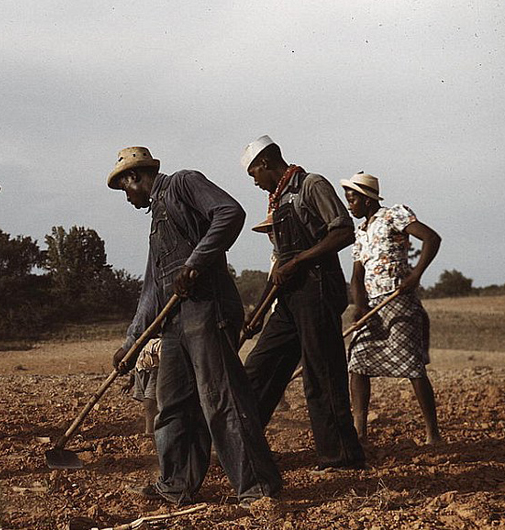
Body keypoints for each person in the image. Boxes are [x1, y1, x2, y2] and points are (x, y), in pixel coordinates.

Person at [108, 146, 281, 507]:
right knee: (173, 404)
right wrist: (132, 343)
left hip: (208, 309)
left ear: (135, 176)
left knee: (222, 399)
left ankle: (258, 488)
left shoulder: (183, 184)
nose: (125, 198)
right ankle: (176, 485)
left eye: (124, 188)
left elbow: (230, 212)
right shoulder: (156, 219)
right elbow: (153, 288)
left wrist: (196, 263)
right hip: (174, 322)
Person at [239, 136, 365, 471]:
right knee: (259, 368)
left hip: (318, 289)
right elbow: (281, 263)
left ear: (266, 162)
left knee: (321, 375)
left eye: (254, 173)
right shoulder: (277, 199)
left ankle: (341, 456)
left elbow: (343, 233)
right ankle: (242, 446)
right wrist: (258, 313)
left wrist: (299, 262)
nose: (254, 181)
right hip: (290, 297)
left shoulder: (311, 185)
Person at [341, 172, 442, 445]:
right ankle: (359, 434)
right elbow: (356, 277)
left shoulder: (393, 216)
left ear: (366, 199)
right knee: (357, 362)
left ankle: (433, 434)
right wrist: (359, 308)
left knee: (413, 366)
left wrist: (416, 274)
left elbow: (432, 239)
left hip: (398, 301)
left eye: (352, 200)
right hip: (373, 306)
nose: (349, 206)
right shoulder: (360, 233)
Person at [121, 337, 161, 436]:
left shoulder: (161, 344)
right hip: (142, 370)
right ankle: (154, 427)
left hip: (156, 369)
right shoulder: (146, 343)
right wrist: (131, 381)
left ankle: (150, 431)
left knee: (150, 402)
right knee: (149, 401)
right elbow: (138, 362)